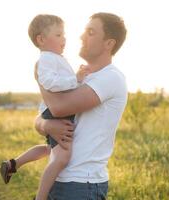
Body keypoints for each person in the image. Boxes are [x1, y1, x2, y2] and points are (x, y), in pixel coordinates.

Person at [34, 12, 128, 199]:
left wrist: (39, 77)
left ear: (109, 44)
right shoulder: (79, 79)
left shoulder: (110, 78)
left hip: (81, 185)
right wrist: (46, 125)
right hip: (62, 180)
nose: (81, 36)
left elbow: (58, 108)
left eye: (91, 32)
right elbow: (44, 115)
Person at [0, 14, 89, 200]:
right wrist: (76, 79)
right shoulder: (47, 59)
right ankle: (40, 197)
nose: (64, 39)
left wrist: (78, 80)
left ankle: (12, 164)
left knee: (49, 150)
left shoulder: (55, 58)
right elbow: (49, 82)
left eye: (64, 34)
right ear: (41, 39)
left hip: (53, 111)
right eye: (58, 35)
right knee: (61, 158)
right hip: (55, 113)